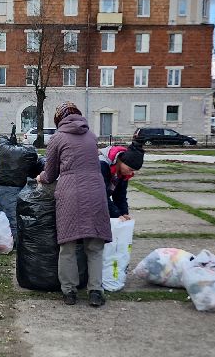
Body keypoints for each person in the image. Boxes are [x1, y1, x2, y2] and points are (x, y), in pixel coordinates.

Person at [36, 102, 111, 308]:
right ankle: (96, 291)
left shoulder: (57, 138)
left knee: (68, 246)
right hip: (96, 191)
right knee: (94, 246)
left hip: (71, 193)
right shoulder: (91, 136)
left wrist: (39, 177)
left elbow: (50, 174)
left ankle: (69, 292)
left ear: (59, 119)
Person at [99, 142, 144, 219]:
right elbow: (101, 195)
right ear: (121, 160)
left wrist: (123, 212)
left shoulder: (122, 172)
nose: (130, 173)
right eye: (130, 169)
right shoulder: (101, 165)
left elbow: (120, 195)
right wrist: (116, 214)